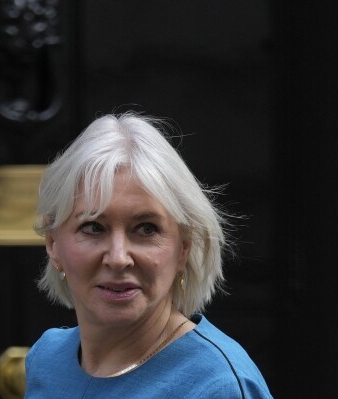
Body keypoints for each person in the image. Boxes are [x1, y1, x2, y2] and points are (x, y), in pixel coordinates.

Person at [24, 113, 272, 398]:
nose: (118, 258)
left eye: (146, 228)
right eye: (94, 227)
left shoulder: (218, 386)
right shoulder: (47, 359)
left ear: (184, 248)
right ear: (53, 244)